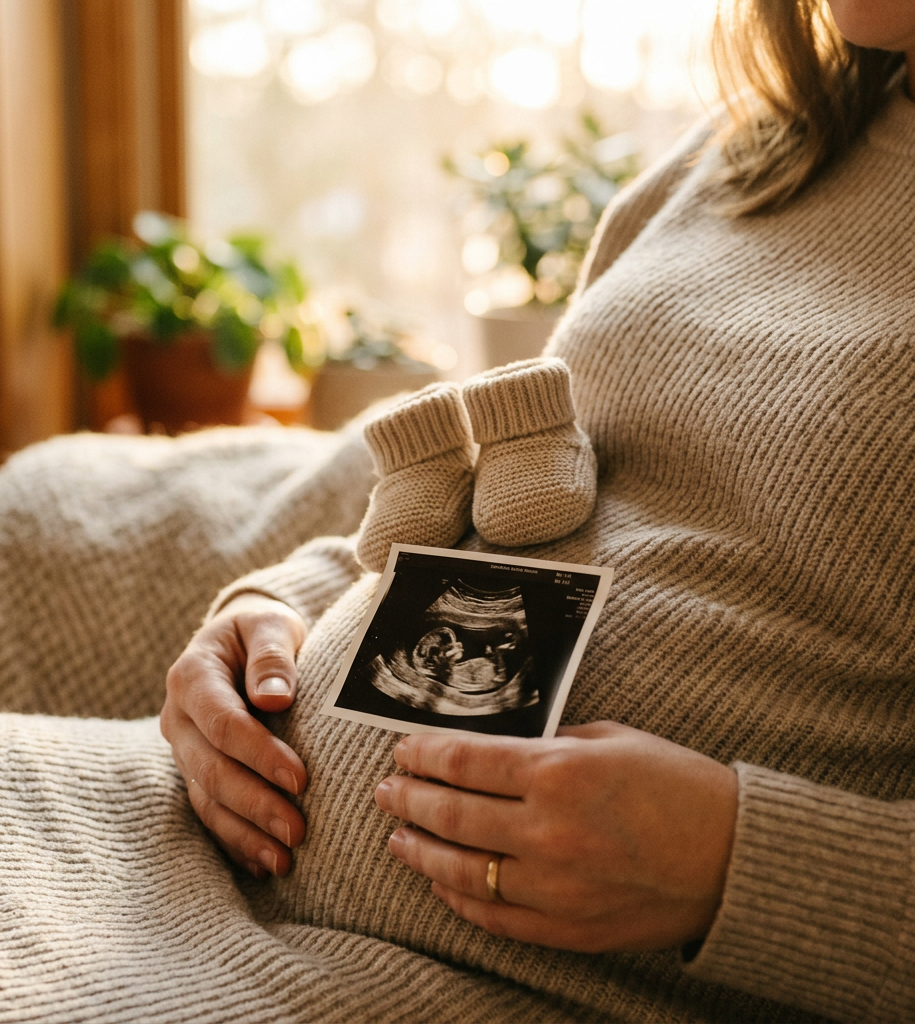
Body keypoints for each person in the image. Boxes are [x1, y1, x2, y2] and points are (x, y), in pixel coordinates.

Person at [161, 0, 915, 1020]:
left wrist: (735, 861)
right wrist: (279, 615)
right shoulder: (755, 141)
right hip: (210, 883)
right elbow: (548, 487)